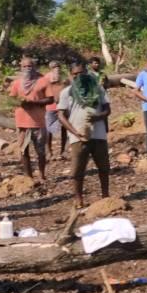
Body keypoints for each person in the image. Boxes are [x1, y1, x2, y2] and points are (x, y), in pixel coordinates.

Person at [56, 60, 111, 209]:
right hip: (78, 136)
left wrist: (97, 117)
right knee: (77, 170)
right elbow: (61, 115)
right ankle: (78, 199)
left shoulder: (98, 89)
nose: (79, 76)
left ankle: (105, 196)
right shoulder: (67, 92)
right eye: (75, 74)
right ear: (70, 75)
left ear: (87, 72)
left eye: (81, 73)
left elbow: (107, 110)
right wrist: (74, 132)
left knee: (104, 167)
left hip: (98, 134)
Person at [9, 56, 51, 181]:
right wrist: (19, 102)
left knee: (40, 151)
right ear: (21, 68)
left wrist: (35, 103)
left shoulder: (43, 81)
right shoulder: (17, 83)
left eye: (30, 66)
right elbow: (11, 99)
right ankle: (29, 177)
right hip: (22, 123)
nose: (27, 68)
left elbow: (50, 99)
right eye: (25, 66)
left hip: (38, 123)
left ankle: (42, 174)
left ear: (34, 67)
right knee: (24, 151)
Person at [43, 61, 68, 160]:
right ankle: (49, 151)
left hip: (63, 106)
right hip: (50, 107)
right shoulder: (46, 77)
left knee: (65, 127)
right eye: (54, 67)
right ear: (51, 68)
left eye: (58, 66)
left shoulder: (64, 77)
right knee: (48, 129)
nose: (57, 68)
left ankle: (63, 151)